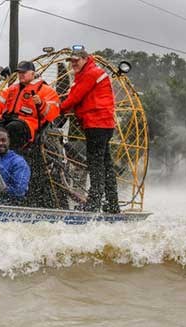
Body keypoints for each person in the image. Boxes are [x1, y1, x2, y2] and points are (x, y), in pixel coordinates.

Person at [0, 60, 60, 165]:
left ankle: (4, 164)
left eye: (23, 72)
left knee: (12, 128)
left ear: (33, 74)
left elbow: (53, 114)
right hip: (8, 120)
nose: (21, 75)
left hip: (28, 125)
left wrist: (41, 104)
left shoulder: (46, 90)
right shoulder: (11, 89)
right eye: (19, 72)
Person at [60, 45, 119, 213]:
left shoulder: (90, 74)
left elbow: (74, 97)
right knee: (106, 164)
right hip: (105, 125)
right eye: (71, 61)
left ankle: (93, 203)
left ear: (85, 59)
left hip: (96, 124)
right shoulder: (91, 72)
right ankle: (112, 203)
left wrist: (58, 108)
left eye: (76, 60)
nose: (73, 64)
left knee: (96, 165)